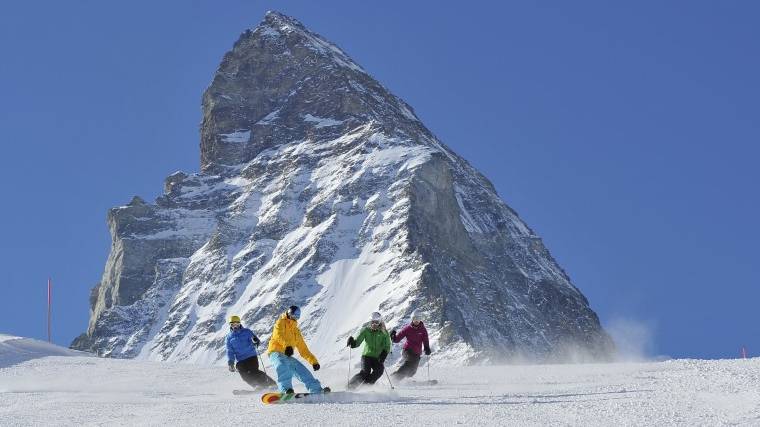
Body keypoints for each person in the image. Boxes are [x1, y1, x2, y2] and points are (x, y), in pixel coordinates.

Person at [267, 305, 329, 394]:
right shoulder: (280, 322)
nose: (295, 318)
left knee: (302, 370)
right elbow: (278, 335)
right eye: (294, 315)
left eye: (297, 316)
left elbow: (303, 349)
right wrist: (287, 346)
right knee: (282, 366)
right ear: (289, 313)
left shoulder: (296, 331)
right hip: (275, 352)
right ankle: (285, 390)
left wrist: (313, 361)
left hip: (287, 355)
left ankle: (316, 390)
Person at [225, 315, 276, 388]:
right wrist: (231, 362)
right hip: (240, 360)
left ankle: (271, 384)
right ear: (230, 325)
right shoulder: (228, 337)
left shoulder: (247, 332)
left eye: (237, 324)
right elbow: (230, 351)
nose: (235, 327)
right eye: (233, 325)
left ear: (240, 324)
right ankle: (257, 386)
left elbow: (254, 339)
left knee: (254, 372)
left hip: (251, 356)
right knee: (244, 375)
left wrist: (255, 341)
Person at [346, 311, 391, 389]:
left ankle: (365, 386)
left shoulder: (384, 332)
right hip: (366, 356)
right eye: (372, 322)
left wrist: (383, 354)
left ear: (379, 322)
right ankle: (350, 386)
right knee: (365, 372)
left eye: (376, 322)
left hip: (378, 357)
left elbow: (387, 346)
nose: (374, 324)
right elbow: (358, 342)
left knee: (379, 371)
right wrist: (352, 343)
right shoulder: (365, 330)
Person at [390, 310, 432, 380]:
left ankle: (397, 376)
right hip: (407, 350)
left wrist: (427, 348)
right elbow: (397, 339)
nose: (416, 321)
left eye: (418, 319)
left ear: (420, 319)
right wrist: (393, 337)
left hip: (417, 353)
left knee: (412, 372)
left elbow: (425, 340)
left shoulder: (423, 330)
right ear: (412, 319)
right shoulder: (407, 328)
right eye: (415, 319)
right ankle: (395, 379)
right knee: (409, 363)